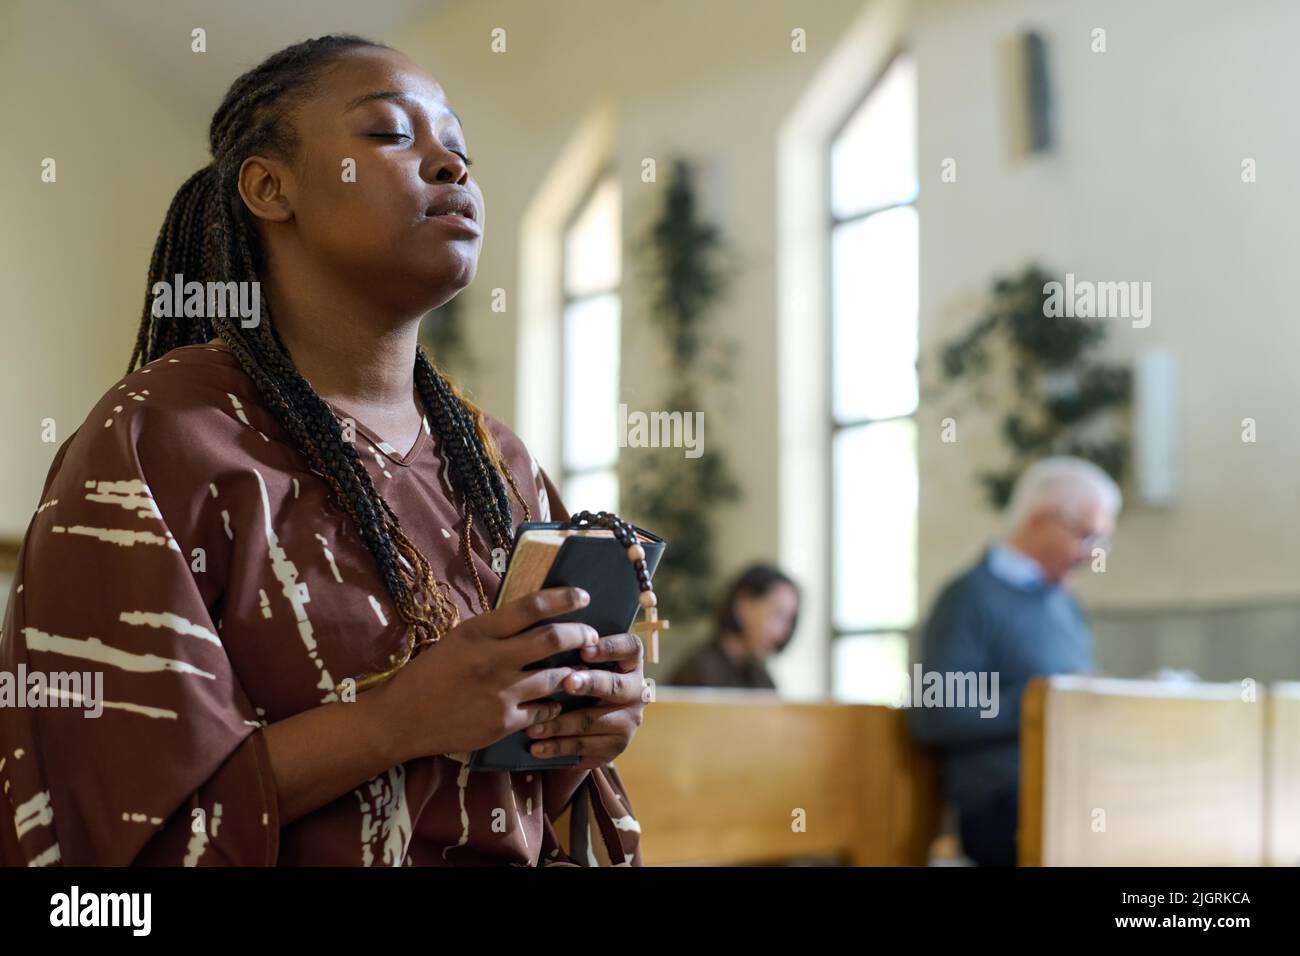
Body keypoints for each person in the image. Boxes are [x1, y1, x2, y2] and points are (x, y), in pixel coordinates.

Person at [0, 35, 646, 867]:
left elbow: (520, 806)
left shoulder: (500, 463)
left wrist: (581, 726)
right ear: (272, 188)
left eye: (459, 147)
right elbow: (115, 827)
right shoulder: (160, 434)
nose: (450, 164)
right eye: (390, 134)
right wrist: (394, 719)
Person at [908, 457, 1118, 866]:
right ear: (1040, 520)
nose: (1095, 556)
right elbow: (934, 714)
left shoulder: (1065, 605)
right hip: (1000, 803)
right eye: (1087, 537)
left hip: (1074, 787)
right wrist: (1044, 698)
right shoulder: (967, 598)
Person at [669, 564, 799, 689]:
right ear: (743, 605)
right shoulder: (698, 671)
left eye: (789, 620)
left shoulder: (762, 678)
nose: (784, 631)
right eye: (777, 614)